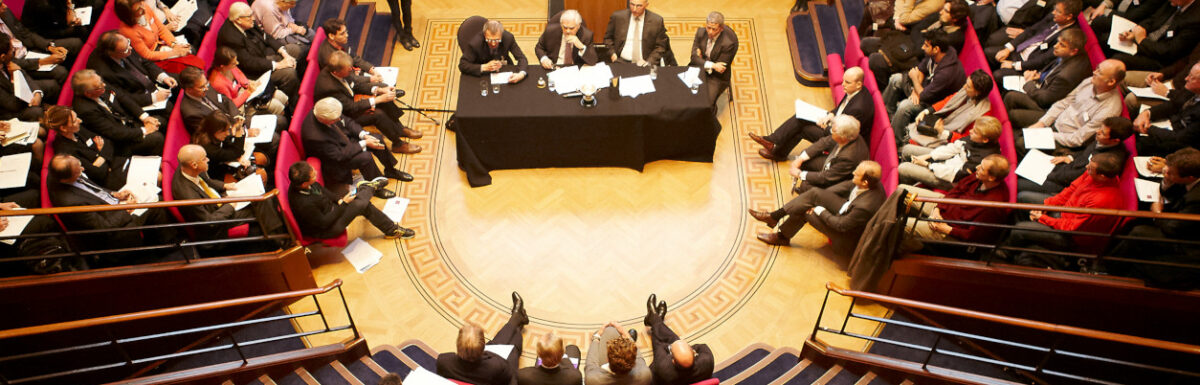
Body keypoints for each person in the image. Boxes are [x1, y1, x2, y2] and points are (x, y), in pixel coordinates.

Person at [1003, 152, 1125, 269]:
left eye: (1090, 167)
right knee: (1023, 198)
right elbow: (1071, 190)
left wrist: (1042, 218)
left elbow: (1073, 228)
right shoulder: (1092, 174)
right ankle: (1023, 245)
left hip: (1071, 238)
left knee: (1019, 229)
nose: (1086, 167)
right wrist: (1047, 205)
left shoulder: (1102, 202)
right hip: (1063, 213)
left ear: (1102, 176)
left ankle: (1005, 254)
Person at [48, 154, 175, 265]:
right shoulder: (71, 202)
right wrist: (125, 208)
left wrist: (115, 194)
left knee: (153, 194)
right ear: (64, 179)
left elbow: (94, 191)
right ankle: (168, 245)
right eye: (78, 171)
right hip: (113, 232)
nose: (82, 169)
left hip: (112, 206)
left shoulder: (63, 172)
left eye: (80, 166)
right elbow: (103, 227)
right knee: (155, 206)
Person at [750, 161, 886, 256]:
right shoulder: (871, 182)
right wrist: (817, 199)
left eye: (857, 174)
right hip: (846, 207)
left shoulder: (865, 207)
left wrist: (820, 210)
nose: (853, 173)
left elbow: (840, 225)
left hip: (845, 236)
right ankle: (774, 216)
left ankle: (782, 236)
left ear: (865, 182)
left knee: (805, 211)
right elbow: (841, 189)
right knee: (814, 194)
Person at [1108, 148, 1200, 289]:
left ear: (1190, 178)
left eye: (1170, 173)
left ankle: (1108, 271)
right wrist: (1167, 181)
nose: (1165, 172)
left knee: (1140, 232)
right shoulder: (1189, 177)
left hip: (1189, 243)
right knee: (1134, 222)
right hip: (1179, 222)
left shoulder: (1196, 199)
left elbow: (1174, 228)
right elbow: (1171, 192)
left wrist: (1157, 214)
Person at [750, 67, 875, 161]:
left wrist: (826, 126)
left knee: (802, 127)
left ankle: (776, 149)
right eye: (843, 81)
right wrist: (831, 115)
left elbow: (844, 134)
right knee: (800, 116)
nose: (843, 84)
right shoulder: (856, 90)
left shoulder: (858, 108)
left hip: (840, 140)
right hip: (836, 122)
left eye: (847, 82)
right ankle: (774, 144)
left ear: (858, 84)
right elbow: (841, 109)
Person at [316, 51, 422, 154]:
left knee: (384, 96)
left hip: (350, 102)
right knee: (378, 114)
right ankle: (398, 144)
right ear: (336, 72)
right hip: (343, 116)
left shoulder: (342, 70)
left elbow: (355, 84)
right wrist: (378, 99)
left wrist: (379, 91)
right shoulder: (328, 87)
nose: (350, 71)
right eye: (348, 71)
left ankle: (399, 129)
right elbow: (350, 107)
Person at [1012, 59, 1125, 154]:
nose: (1094, 72)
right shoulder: (1089, 82)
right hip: (1056, 121)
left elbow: (1078, 139)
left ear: (1111, 82)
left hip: (1064, 141)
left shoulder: (1109, 110)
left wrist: (1048, 133)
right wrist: (1042, 123)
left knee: (1020, 143)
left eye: (1100, 72)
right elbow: (1064, 103)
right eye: (1097, 68)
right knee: (1014, 114)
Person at [172, 144, 282, 241]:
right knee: (261, 202)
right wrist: (229, 205)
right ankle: (279, 238)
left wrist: (225, 186)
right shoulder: (188, 196)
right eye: (204, 159)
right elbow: (209, 223)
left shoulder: (186, 167)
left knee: (261, 197)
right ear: (194, 165)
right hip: (218, 220)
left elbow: (208, 182)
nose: (208, 160)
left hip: (219, 200)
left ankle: (276, 233)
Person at [303, 97, 411, 193]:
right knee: (365, 158)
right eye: (336, 119)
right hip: (335, 160)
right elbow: (339, 155)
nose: (339, 119)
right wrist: (364, 143)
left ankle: (390, 170)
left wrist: (364, 135)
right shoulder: (315, 136)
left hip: (344, 142)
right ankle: (376, 187)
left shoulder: (323, 109)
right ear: (325, 120)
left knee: (376, 139)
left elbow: (347, 122)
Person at [286, 161, 415, 240]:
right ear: (303, 184)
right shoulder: (304, 204)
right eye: (313, 175)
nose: (315, 172)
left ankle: (391, 230)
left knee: (364, 205)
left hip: (331, 209)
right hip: (328, 228)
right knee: (360, 204)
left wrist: (339, 200)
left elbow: (322, 190)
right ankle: (368, 188)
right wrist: (344, 205)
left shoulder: (302, 182)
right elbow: (324, 223)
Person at [900, 154, 1011, 243]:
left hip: (948, 228)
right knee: (901, 190)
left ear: (991, 178)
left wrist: (944, 228)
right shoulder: (979, 176)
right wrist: (938, 209)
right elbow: (957, 190)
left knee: (899, 225)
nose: (977, 168)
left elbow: (973, 235)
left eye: (981, 168)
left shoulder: (993, 206)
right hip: (945, 205)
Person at [1018, 117, 1132, 199]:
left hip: (1065, 185)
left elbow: (1080, 178)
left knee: (1018, 184)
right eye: (1099, 129)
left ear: (1115, 140)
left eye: (1102, 132)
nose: (1097, 132)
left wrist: (1047, 174)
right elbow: (1085, 151)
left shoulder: (1109, 160)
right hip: (1064, 169)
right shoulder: (1101, 138)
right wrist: (1070, 157)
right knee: (1021, 166)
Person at [179, 66, 284, 155]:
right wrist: (244, 132)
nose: (206, 88)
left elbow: (226, 101)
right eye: (202, 87)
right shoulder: (191, 112)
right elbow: (213, 134)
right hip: (229, 137)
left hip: (237, 121)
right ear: (189, 89)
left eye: (206, 84)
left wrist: (237, 118)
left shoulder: (205, 86)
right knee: (275, 139)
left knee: (279, 121)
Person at [437, 292, 529, 385]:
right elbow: (511, 379)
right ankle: (518, 318)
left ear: (457, 344)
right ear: (483, 345)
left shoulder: (443, 361)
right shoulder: (496, 365)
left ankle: (518, 317)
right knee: (515, 339)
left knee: (501, 341)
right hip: (500, 372)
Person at [71, 69, 164, 157]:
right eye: (99, 86)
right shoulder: (86, 110)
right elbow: (113, 132)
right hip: (119, 142)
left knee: (159, 121)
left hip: (128, 122)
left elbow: (123, 98)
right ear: (88, 93)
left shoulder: (98, 84)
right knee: (156, 138)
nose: (104, 85)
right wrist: (144, 130)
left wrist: (145, 117)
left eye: (102, 81)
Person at [217, 2, 303, 96]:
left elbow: (265, 36)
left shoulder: (247, 21)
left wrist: (284, 54)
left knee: (295, 50)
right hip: (254, 72)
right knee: (289, 73)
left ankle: (301, 83)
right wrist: (278, 65)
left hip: (263, 53)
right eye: (249, 16)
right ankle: (294, 104)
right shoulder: (231, 38)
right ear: (239, 20)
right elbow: (249, 63)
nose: (253, 18)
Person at [899, 115, 1002, 190]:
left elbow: (954, 174)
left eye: (975, 132)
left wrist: (928, 164)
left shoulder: (983, 159)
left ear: (985, 140)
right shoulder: (976, 139)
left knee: (903, 168)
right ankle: (913, 179)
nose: (970, 132)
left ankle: (905, 190)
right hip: (948, 162)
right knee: (907, 149)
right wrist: (929, 155)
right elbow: (953, 148)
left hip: (951, 180)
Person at [896, 69, 993, 148]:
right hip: (943, 122)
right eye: (966, 83)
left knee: (912, 139)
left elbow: (967, 138)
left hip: (950, 137)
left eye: (968, 87)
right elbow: (948, 101)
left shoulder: (983, 115)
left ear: (977, 92)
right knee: (913, 126)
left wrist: (943, 132)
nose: (964, 87)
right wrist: (926, 111)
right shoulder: (966, 91)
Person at [89, 31, 178, 118]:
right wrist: (153, 98)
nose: (130, 48)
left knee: (179, 79)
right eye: (126, 49)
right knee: (169, 108)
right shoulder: (102, 72)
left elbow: (145, 62)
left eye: (128, 43)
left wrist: (163, 77)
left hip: (150, 82)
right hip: (139, 96)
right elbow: (123, 97)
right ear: (111, 53)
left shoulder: (125, 44)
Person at [882, 31, 966, 122]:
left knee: (904, 106)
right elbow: (921, 69)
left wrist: (915, 81)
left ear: (936, 49)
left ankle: (895, 134)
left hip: (933, 103)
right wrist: (915, 89)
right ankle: (886, 112)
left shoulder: (946, 74)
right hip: (924, 89)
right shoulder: (937, 53)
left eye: (926, 45)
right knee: (896, 79)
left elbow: (925, 96)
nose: (922, 47)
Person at [1000, 28, 1089, 114]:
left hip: (1047, 107)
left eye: (1062, 45)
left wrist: (1029, 82)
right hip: (1043, 85)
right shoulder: (1068, 54)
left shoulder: (1066, 76)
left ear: (1073, 51)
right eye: (1058, 42)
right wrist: (1040, 75)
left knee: (1011, 97)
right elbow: (1053, 70)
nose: (1055, 46)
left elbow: (1045, 100)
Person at [46, 105, 128, 190]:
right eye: (74, 121)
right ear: (63, 128)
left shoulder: (77, 129)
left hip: (116, 162)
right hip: (109, 181)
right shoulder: (67, 151)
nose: (80, 121)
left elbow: (107, 141)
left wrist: (100, 158)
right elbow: (98, 173)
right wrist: (102, 153)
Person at [985, 0, 1080, 73]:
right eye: (1055, 9)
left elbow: (1043, 60)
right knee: (988, 53)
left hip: (1029, 65)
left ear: (1069, 16)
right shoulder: (1053, 17)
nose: (1053, 12)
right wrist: (1008, 49)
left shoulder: (1068, 37)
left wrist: (1014, 65)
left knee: (998, 74)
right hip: (1020, 50)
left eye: (1058, 11)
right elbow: (1031, 31)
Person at [114, 0, 203, 73]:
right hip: (154, 59)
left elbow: (161, 29)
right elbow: (147, 55)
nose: (143, 9)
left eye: (141, 4)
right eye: (138, 10)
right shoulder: (127, 31)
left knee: (190, 50)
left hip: (161, 44)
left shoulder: (144, 6)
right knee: (189, 69)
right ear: (129, 15)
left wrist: (175, 45)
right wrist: (175, 52)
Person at [1131, 62, 1200, 157]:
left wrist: (1148, 128)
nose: (1186, 78)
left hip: (1186, 143)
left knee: (1142, 143)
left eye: (1192, 78)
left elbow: (1181, 138)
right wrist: (1147, 113)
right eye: (1189, 74)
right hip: (1174, 125)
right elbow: (1174, 104)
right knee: (1136, 113)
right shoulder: (1191, 89)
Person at [788, 115, 869, 195]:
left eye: (833, 131)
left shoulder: (849, 157)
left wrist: (799, 174)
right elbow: (824, 142)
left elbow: (827, 177)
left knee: (806, 185)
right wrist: (800, 159)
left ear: (843, 137)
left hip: (841, 180)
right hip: (834, 162)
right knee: (804, 160)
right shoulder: (849, 134)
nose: (830, 132)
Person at [1109, 0, 1200, 71]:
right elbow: (1153, 19)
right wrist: (1135, 31)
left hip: (1159, 59)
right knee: (1107, 41)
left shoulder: (1195, 20)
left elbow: (1169, 51)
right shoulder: (1174, 3)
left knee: (1118, 59)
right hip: (1147, 42)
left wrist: (1142, 40)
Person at [0, 1, 77, 84]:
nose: (5, 6)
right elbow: (7, 62)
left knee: (75, 44)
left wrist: (49, 46)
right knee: (61, 72)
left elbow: (26, 34)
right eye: (0, 5)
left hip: (28, 49)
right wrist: (43, 61)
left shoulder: (5, 12)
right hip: (16, 65)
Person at [643, 296, 714, 385]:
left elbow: (660, 346)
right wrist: (680, 349)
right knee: (674, 340)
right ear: (692, 352)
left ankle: (654, 319)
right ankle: (655, 320)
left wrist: (674, 346)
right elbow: (701, 346)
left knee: (664, 340)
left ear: (673, 361)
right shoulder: (707, 362)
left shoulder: (664, 368)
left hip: (661, 381)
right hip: (694, 379)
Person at [192, 112, 268, 183]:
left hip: (225, 161)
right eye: (224, 131)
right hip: (217, 173)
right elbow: (236, 152)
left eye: (227, 129)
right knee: (261, 175)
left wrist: (237, 156)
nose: (228, 133)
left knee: (261, 158)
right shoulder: (208, 148)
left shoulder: (215, 134)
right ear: (214, 131)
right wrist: (238, 132)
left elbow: (228, 144)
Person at [209, 47, 288, 115]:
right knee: (276, 106)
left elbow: (240, 76)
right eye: (233, 63)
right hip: (241, 106)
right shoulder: (218, 83)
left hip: (246, 93)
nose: (237, 63)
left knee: (280, 95)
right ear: (222, 66)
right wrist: (248, 92)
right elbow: (232, 105)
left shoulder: (230, 67)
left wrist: (249, 84)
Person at [688, 11, 738, 105]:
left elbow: (720, 69)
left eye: (714, 29)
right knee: (685, 92)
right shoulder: (700, 32)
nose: (710, 32)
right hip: (699, 67)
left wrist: (701, 60)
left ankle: (709, 118)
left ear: (721, 29)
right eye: (708, 28)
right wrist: (713, 65)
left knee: (707, 103)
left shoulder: (728, 44)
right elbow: (693, 58)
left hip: (716, 78)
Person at [318, 19, 387, 86]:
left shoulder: (340, 42)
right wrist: (371, 79)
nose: (346, 35)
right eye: (342, 34)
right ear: (331, 36)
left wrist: (372, 70)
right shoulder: (330, 57)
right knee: (383, 86)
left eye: (346, 31)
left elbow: (355, 58)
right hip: (344, 83)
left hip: (353, 73)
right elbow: (348, 78)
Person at [0, 34, 51, 121]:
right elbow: (14, 105)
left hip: (19, 97)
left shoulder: (6, 60)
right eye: (11, 50)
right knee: (37, 112)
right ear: (3, 57)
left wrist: (36, 93)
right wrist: (14, 78)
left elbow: (23, 74)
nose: (13, 52)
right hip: (8, 113)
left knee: (51, 86)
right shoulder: (5, 58)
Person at [584, 321, 652, 385]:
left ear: (607, 359)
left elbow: (591, 364)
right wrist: (626, 335)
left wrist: (597, 336)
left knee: (609, 331)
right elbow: (639, 358)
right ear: (634, 362)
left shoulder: (592, 379)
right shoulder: (645, 375)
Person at [603, 0, 669, 66]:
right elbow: (608, 38)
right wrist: (612, 53)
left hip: (644, 63)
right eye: (632, 4)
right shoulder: (617, 17)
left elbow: (660, 46)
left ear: (646, 5)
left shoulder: (656, 20)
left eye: (639, 6)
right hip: (620, 61)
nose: (634, 9)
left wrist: (649, 61)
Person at [459, 19, 528, 80]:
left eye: (497, 40)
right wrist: (484, 67)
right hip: (484, 74)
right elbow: (462, 65)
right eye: (489, 40)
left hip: (504, 68)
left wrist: (521, 74)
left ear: (501, 34)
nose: (493, 44)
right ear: (484, 35)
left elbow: (522, 58)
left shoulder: (508, 38)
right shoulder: (475, 43)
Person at [516, 332, 583, 385]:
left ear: (538, 354)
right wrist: (566, 359)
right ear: (562, 353)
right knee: (573, 348)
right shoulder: (575, 377)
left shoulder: (523, 375)